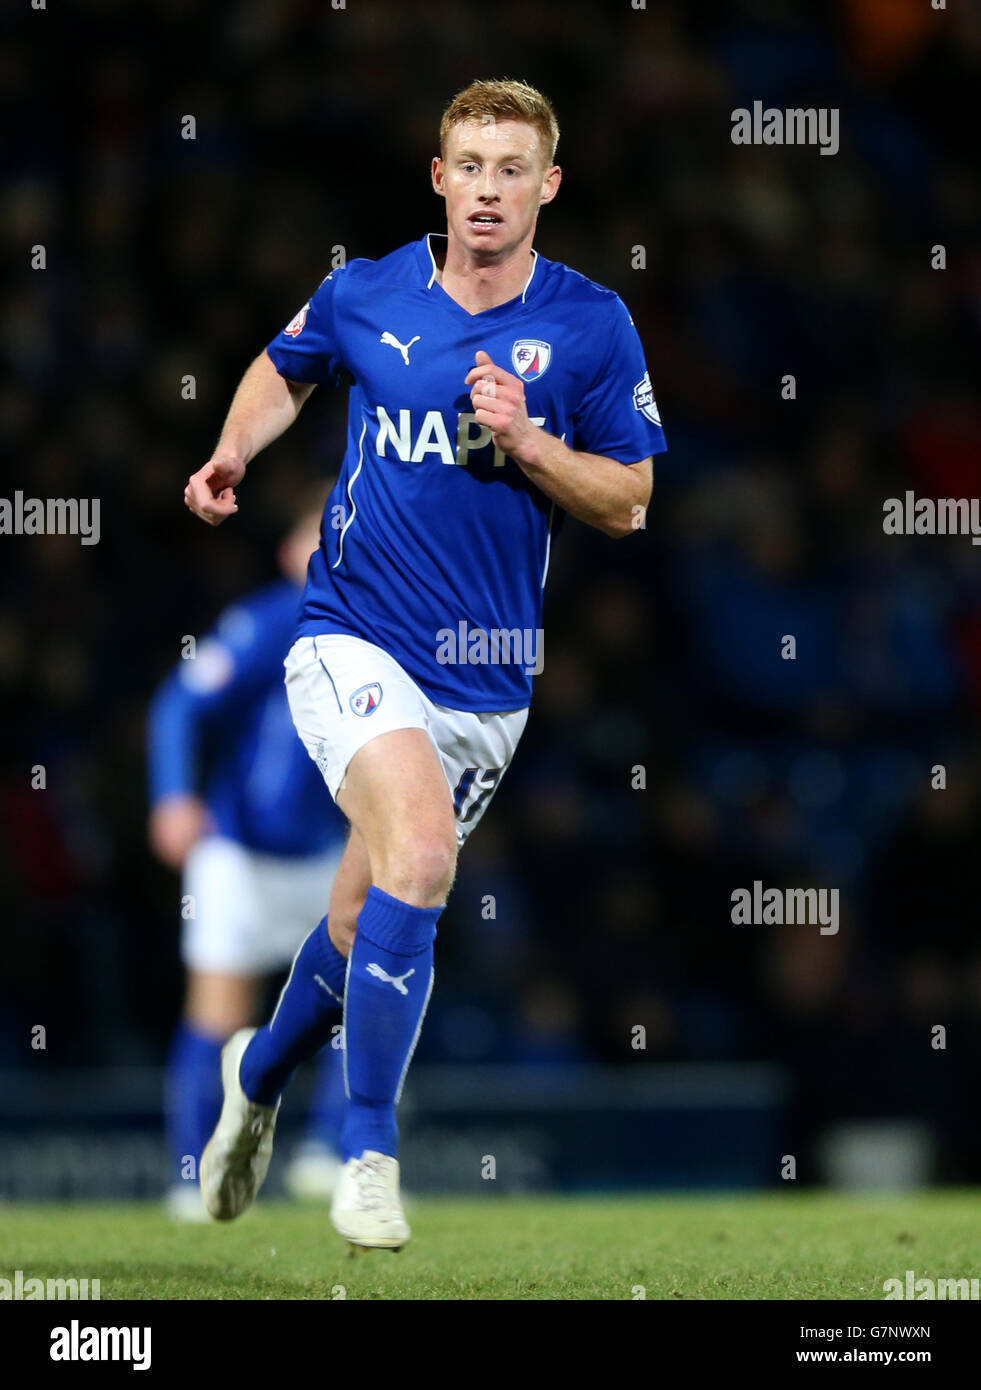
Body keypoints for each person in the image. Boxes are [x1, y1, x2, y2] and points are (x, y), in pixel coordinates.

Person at [184, 78, 665, 1251]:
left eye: (513, 168)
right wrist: (233, 446)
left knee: (365, 918)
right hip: (351, 632)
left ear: (547, 186)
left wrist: (531, 441)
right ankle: (369, 1154)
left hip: (487, 677)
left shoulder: (593, 324)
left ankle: (257, 1083)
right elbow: (284, 363)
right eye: (470, 165)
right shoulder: (366, 291)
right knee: (428, 854)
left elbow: (631, 503)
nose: (489, 188)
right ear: (438, 179)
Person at [148, 502, 349, 1218]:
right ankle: (191, 1178)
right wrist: (174, 796)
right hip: (237, 851)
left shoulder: (382, 630)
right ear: (292, 547)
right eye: (314, 534)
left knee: (365, 1003)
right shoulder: (270, 621)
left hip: (331, 854)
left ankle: (339, 1160)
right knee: (218, 1014)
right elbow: (178, 703)